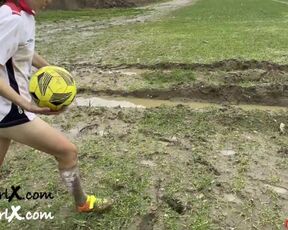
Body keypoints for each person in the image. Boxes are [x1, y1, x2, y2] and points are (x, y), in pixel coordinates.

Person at [0, 0, 113, 212]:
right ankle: (83, 203)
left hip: (5, 108)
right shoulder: (11, 18)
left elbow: (22, 50)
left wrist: (53, 69)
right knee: (67, 151)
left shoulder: (24, 15)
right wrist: (25, 104)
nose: (50, 1)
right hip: (9, 110)